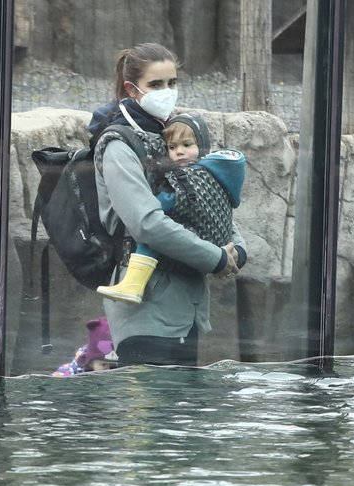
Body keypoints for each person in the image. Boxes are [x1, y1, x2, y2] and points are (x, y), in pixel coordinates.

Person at [91, 42, 247, 367]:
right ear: (132, 89)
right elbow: (145, 222)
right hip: (145, 311)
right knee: (147, 414)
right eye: (156, 85)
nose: (167, 92)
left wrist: (237, 250)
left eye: (172, 83)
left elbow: (207, 200)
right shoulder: (118, 145)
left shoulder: (174, 136)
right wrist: (215, 257)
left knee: (179, 414)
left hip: (187, 310)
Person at [96, 112, 247, 304]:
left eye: (187, 145)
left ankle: (133, 283)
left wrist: (151, 201)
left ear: (202, 147)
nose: (179, 152)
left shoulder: (194, 176)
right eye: (172, 147)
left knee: (150, 236)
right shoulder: (216, 178)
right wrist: (237, 252)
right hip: (194, 289)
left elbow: (157, 214)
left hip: (178, 282)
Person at [52, 316, 118, 376]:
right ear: (90, 363)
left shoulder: (122, 371)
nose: (109, 370)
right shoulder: (72, 374)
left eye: (113, 366)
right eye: (104, 365)